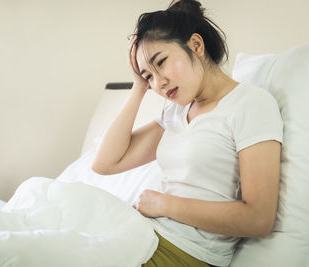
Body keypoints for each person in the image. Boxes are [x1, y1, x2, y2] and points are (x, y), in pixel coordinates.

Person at [92, 0, 283, 266]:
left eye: (161, 62)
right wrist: (138, 85)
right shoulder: (176, 113)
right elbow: (104, 163)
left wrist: (164, 205)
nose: (158, 83)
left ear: (196, 45)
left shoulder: (250, 104)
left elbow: (259, 218)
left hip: (186, 252)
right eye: (149, 76)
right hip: (144, 234)